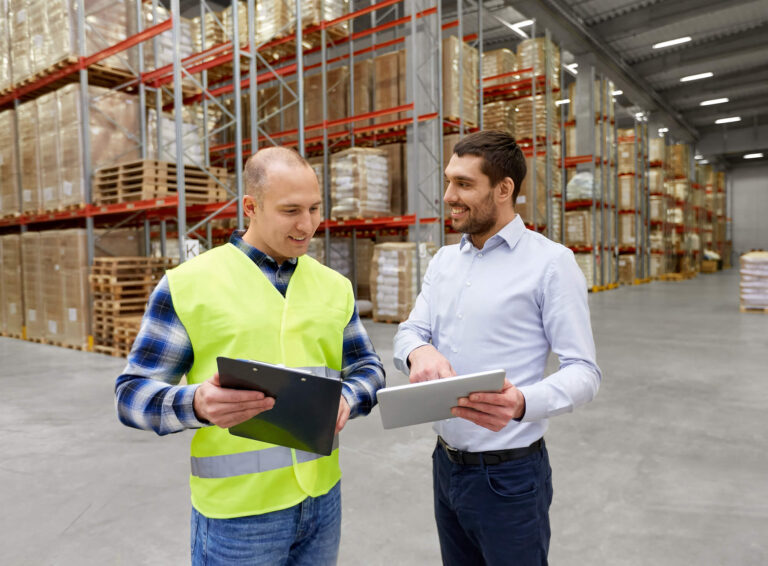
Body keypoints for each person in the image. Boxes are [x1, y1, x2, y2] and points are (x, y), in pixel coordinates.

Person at [115, 146, 385, 566]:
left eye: (315, 208)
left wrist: (349, 397)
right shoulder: (188, 285)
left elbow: (367, 367)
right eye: (291, 210)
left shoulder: (334, 286)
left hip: (321, 500)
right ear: (251, 207)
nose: (307, 225)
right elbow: (131, 396)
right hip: (237, 518)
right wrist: (196, 403)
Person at [393, 130, 601, 566]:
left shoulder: (550, 264)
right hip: (446, 466)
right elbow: (409, 331)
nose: (449, 195)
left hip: (509, 477)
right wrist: (419, 353)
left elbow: (584, 371)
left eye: (464, 184)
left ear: (504, 189)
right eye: (449, 181)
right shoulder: (444, 261)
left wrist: (522, 401)